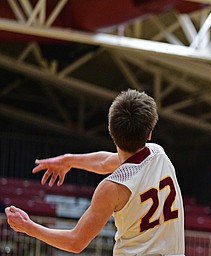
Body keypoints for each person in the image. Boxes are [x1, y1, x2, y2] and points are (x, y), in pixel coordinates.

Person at [5, 89, 185, 255]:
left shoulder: (112, 188)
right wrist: (68, 160)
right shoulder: (158, 154)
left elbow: (75, 242)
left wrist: (28, 227)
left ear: (110, 130)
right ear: (149, 134)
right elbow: (105, 162)